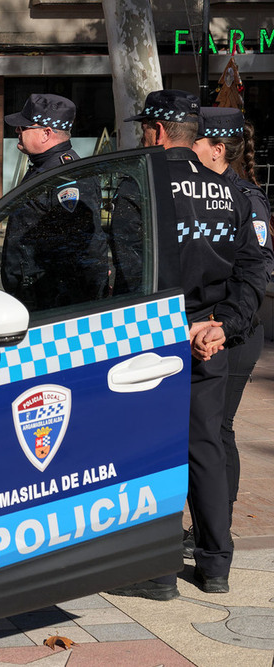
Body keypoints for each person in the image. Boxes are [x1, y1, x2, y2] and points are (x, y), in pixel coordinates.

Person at [107, 90, 268, 601]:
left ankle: (157, 573)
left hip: (157, 333)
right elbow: (252, 270)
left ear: (156, 132)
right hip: (209, 336)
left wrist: (178, 327)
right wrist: (221, 326)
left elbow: (133, 271)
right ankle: (215, 565)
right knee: (206, 445)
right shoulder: (232, 192)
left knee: (156, 448)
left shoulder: (144, 184)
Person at [185, 107, 274, 554]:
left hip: (235, 334)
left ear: (217, 150)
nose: (190, 149)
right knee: (212, 430)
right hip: (215, 330)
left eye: (197, 142)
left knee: (218, 430)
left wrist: (221, 324)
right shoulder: (204, 191)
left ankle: (218, 526)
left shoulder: (245, 197)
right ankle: (210, 525)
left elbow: (256, 271)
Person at [0, 94, 109, 309]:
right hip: (34, 294)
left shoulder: (66, 176)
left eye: (23, 127)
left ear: (46, 133)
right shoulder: (43, 168)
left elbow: (87, 248)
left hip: (53, 302)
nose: (17, 131)